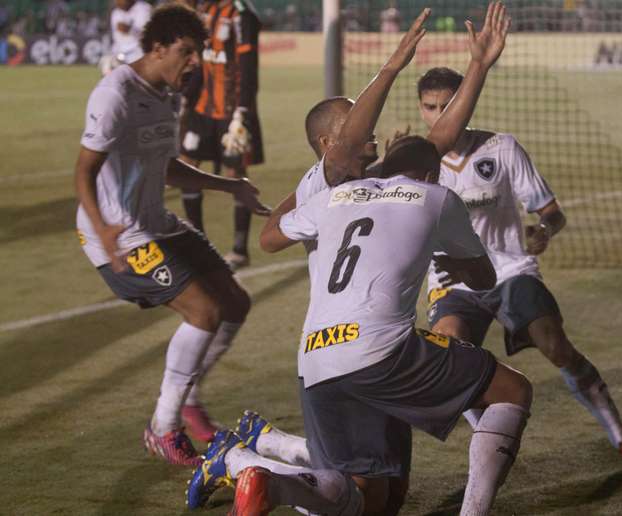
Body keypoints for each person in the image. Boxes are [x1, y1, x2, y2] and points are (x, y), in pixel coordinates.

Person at [187, 5, 522, 515]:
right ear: (328, 142)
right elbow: (278, 228)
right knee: (504, 393)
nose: (370, 128)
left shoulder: (368, 181)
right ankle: (254, 462)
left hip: (324, 354)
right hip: (372, 345)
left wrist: (478, 68)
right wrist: (391, 67)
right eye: (356, 119)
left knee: (380, 500)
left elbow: (434, 147)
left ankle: (247, 460)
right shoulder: (324, 181)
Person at [416, 66, 622, 470]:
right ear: (420, 108)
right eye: (430, 107)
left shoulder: (502, 147)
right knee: (452, 356)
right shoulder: (419, 163)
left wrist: (544, 229)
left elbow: (551, 212)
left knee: (554, 344)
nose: (440, 114)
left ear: (466, 102)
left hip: (510, 268)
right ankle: (488, 445)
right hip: (452, 281)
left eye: (448, 104)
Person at [74, 3, 268, 466]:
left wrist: (230, 185)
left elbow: (166, 168)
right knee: (203, 311)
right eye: (186, 51)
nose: (196, 61)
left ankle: (190, 396)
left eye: (198, 51)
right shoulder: (115, 94)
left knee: (236, 303)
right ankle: (164, 426)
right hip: (120, 236)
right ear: (157, 48)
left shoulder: (168, 94)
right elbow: (83, 173)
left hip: (156, 223)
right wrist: (103, 230)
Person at [178, 0, 269, 271]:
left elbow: (248, 66)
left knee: (234, 173)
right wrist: (185, 99)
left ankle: (239, 250)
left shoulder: (241, 15)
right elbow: (201, 63)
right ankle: (199, 242)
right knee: (186, 166)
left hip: (233, 110)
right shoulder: (206, 11)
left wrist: (242, 113)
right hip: (203, 108)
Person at [100, 0, 152, 75]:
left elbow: (147, 34)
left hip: (137, 52)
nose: (117, 2)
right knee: (107, 65)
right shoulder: (116, 12)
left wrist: (130, 29)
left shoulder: (143, 9)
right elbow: (117, 38)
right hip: (119, 52)